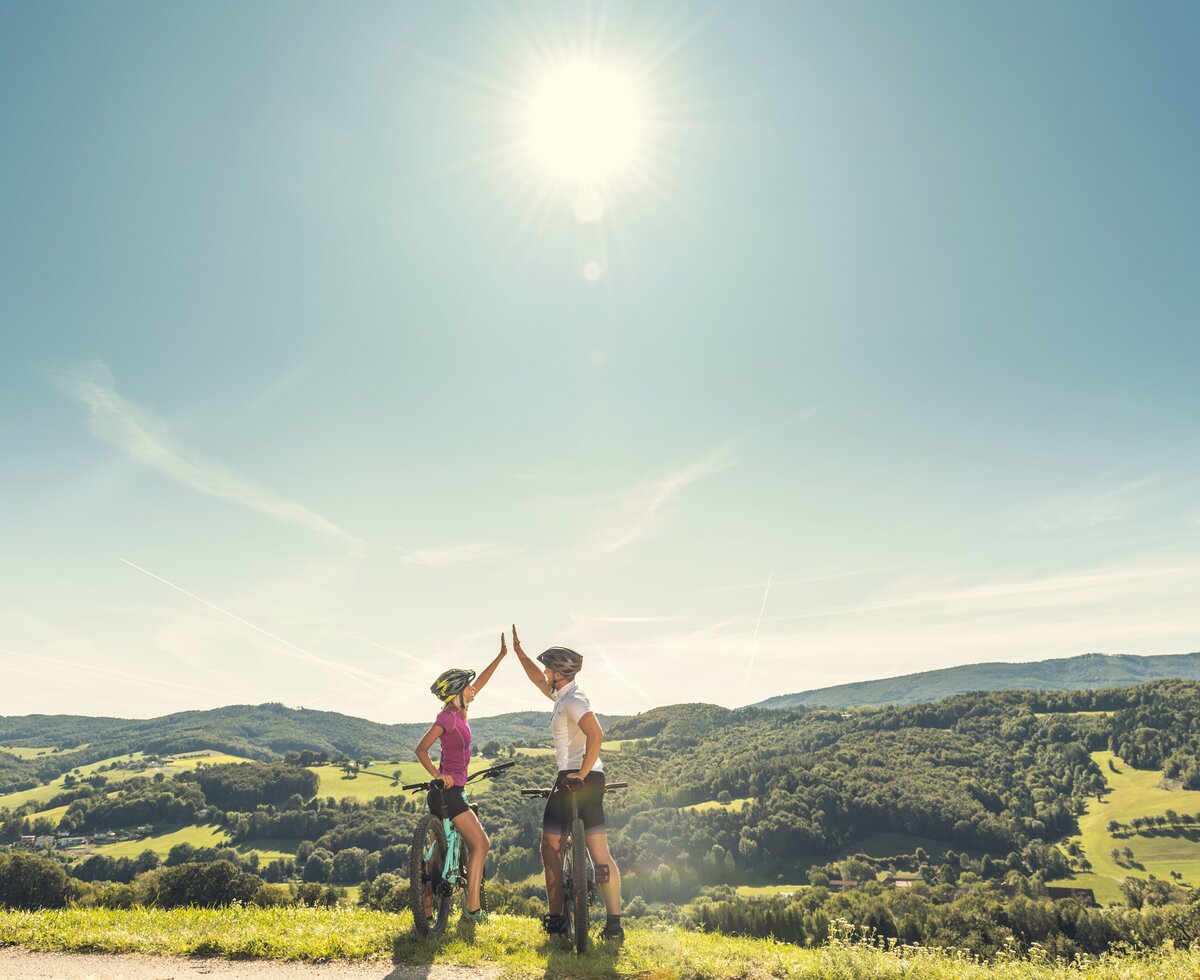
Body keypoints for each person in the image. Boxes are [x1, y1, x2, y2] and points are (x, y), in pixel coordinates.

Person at [512, 625, 624, 941]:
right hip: (590, 776)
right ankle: (614, 925)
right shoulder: (563, 695)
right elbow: (537, 679)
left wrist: (581, 774)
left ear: (559, 673)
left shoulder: (573, 701)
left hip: (576, 776)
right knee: (599, 851)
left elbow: (597, 734)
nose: (545, 672)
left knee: (550, 845)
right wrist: (520, 653)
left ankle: (557, 918)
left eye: (549, 667)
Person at [414, 633, 507, 924]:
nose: (474, 689)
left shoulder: (460, 713)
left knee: (435, 856)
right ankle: (473, 912)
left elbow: (482, 683)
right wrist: (439, 775)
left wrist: (501, 656)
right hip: (449, 793)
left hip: (445, 793)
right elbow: (421, 749)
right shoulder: (447, 719)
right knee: (481, 844)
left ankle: (428, 912)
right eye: (469, 687)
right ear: (458, 692)